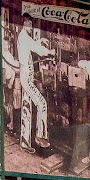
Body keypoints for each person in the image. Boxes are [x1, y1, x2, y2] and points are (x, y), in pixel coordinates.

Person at [17, 12, 55, 150]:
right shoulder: (24, 37)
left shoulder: (23, 37)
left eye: (32, 24)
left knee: (27, 109)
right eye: (29, 23)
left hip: (26, 76)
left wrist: (40, 42)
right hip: (27, 77)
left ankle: (25, 142)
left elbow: (32, 45)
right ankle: (40, 136)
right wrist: (50, 52)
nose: (31, 26)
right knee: (42, 104)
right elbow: (37, 49)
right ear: (25, 23)